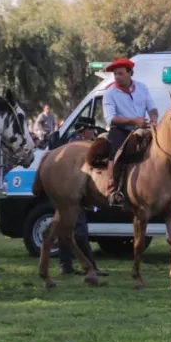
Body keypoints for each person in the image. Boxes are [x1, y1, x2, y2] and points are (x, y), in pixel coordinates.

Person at [100, 57, 158, 206]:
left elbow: (152, 108)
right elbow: (110, 118)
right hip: (121, 129)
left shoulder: (142, 88)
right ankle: (113, 189)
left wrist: (153, 119)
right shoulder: (109, 93)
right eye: (115, 74)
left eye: (120, 73)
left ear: (130, 73)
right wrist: (133, 121)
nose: (117, 77)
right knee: (116, 153)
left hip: (143, 128)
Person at [59, 117, 108, 277]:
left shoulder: (74, 143)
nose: (93, 133)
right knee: (80, 230)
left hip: (70, 190)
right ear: (84, 130)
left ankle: (66, 265)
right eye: (91, 130)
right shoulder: (79, 146)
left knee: (65, 227)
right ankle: (90, 266)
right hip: (72, 192)